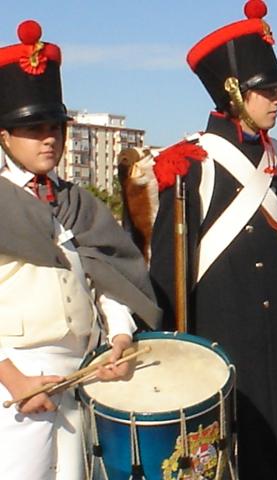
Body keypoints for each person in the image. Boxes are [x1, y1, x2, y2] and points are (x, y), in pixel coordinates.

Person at [148, 1, 277, 479]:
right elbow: (168, 270)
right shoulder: (192, 164)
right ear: (234, 92)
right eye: (268, 90)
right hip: (223, 331)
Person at [0, 20, 161, 479]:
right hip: (13, 376)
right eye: (32, 128)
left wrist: (121, 340)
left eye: (55, 126)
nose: (49, 137)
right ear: (4, 135)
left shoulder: (78, 202)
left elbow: (107, 278)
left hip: (82, 374)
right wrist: (13, 378)